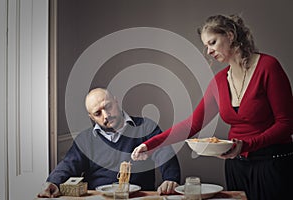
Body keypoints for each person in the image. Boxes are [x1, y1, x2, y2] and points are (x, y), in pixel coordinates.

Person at [131, 14, 293, 200]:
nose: (208, 51)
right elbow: (192, 124)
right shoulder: (219, 81)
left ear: (230, 35)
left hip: (273, 163)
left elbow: (286, 124)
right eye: (206, 46)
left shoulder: (268, 67)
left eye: (212, 42)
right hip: (236, 166)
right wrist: (150, 144)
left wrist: (246, 145)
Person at [38, 88, 180, 198]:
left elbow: (164, 152)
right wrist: (53, 182)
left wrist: (170, 179)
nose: (106, 115)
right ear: (92, 118)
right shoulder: (85, 139)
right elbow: (68, 165)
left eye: (108, 106)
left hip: (138, 196)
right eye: (98, 113)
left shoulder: (145, 127)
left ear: (116, 101)